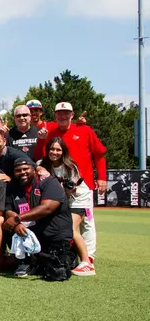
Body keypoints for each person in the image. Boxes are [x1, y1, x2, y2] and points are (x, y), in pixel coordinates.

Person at [35, 102, 106, 261]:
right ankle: (72, 254)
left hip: (83, 184)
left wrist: (102, 177)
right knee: (67, 222)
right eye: (60, 113)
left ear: (72, 115)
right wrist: (41, 140)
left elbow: (99, 155)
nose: (63, 116)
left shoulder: (84, 129)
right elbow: (41, 155)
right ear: (55, 115)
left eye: (66, 113)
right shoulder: (51, 130)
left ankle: (89, 257)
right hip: (61, 185)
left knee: (87, 221)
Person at [3, 158, 75, 281]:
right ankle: (24, 261)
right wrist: (16, 224)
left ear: (34, 170)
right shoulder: (13, 186)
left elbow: (47, 208)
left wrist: (17, 218)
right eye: (18, 170)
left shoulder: (49, 183)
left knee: (56, 271)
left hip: (54, 236)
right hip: (32, 233)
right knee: (5, 224)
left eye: (26, 169)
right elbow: (8, 208)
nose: (22, 173)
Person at [38, 138, 96, 276]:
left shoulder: (70, 167)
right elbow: (37, 166)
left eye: (58, 149)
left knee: (70, 228)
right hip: (62, 199)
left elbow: (69, 192)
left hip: (78, 199)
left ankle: (86, 262)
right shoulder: (43, 163)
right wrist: (40, 169)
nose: (54, 152)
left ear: (63, 152)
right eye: (52, 149)